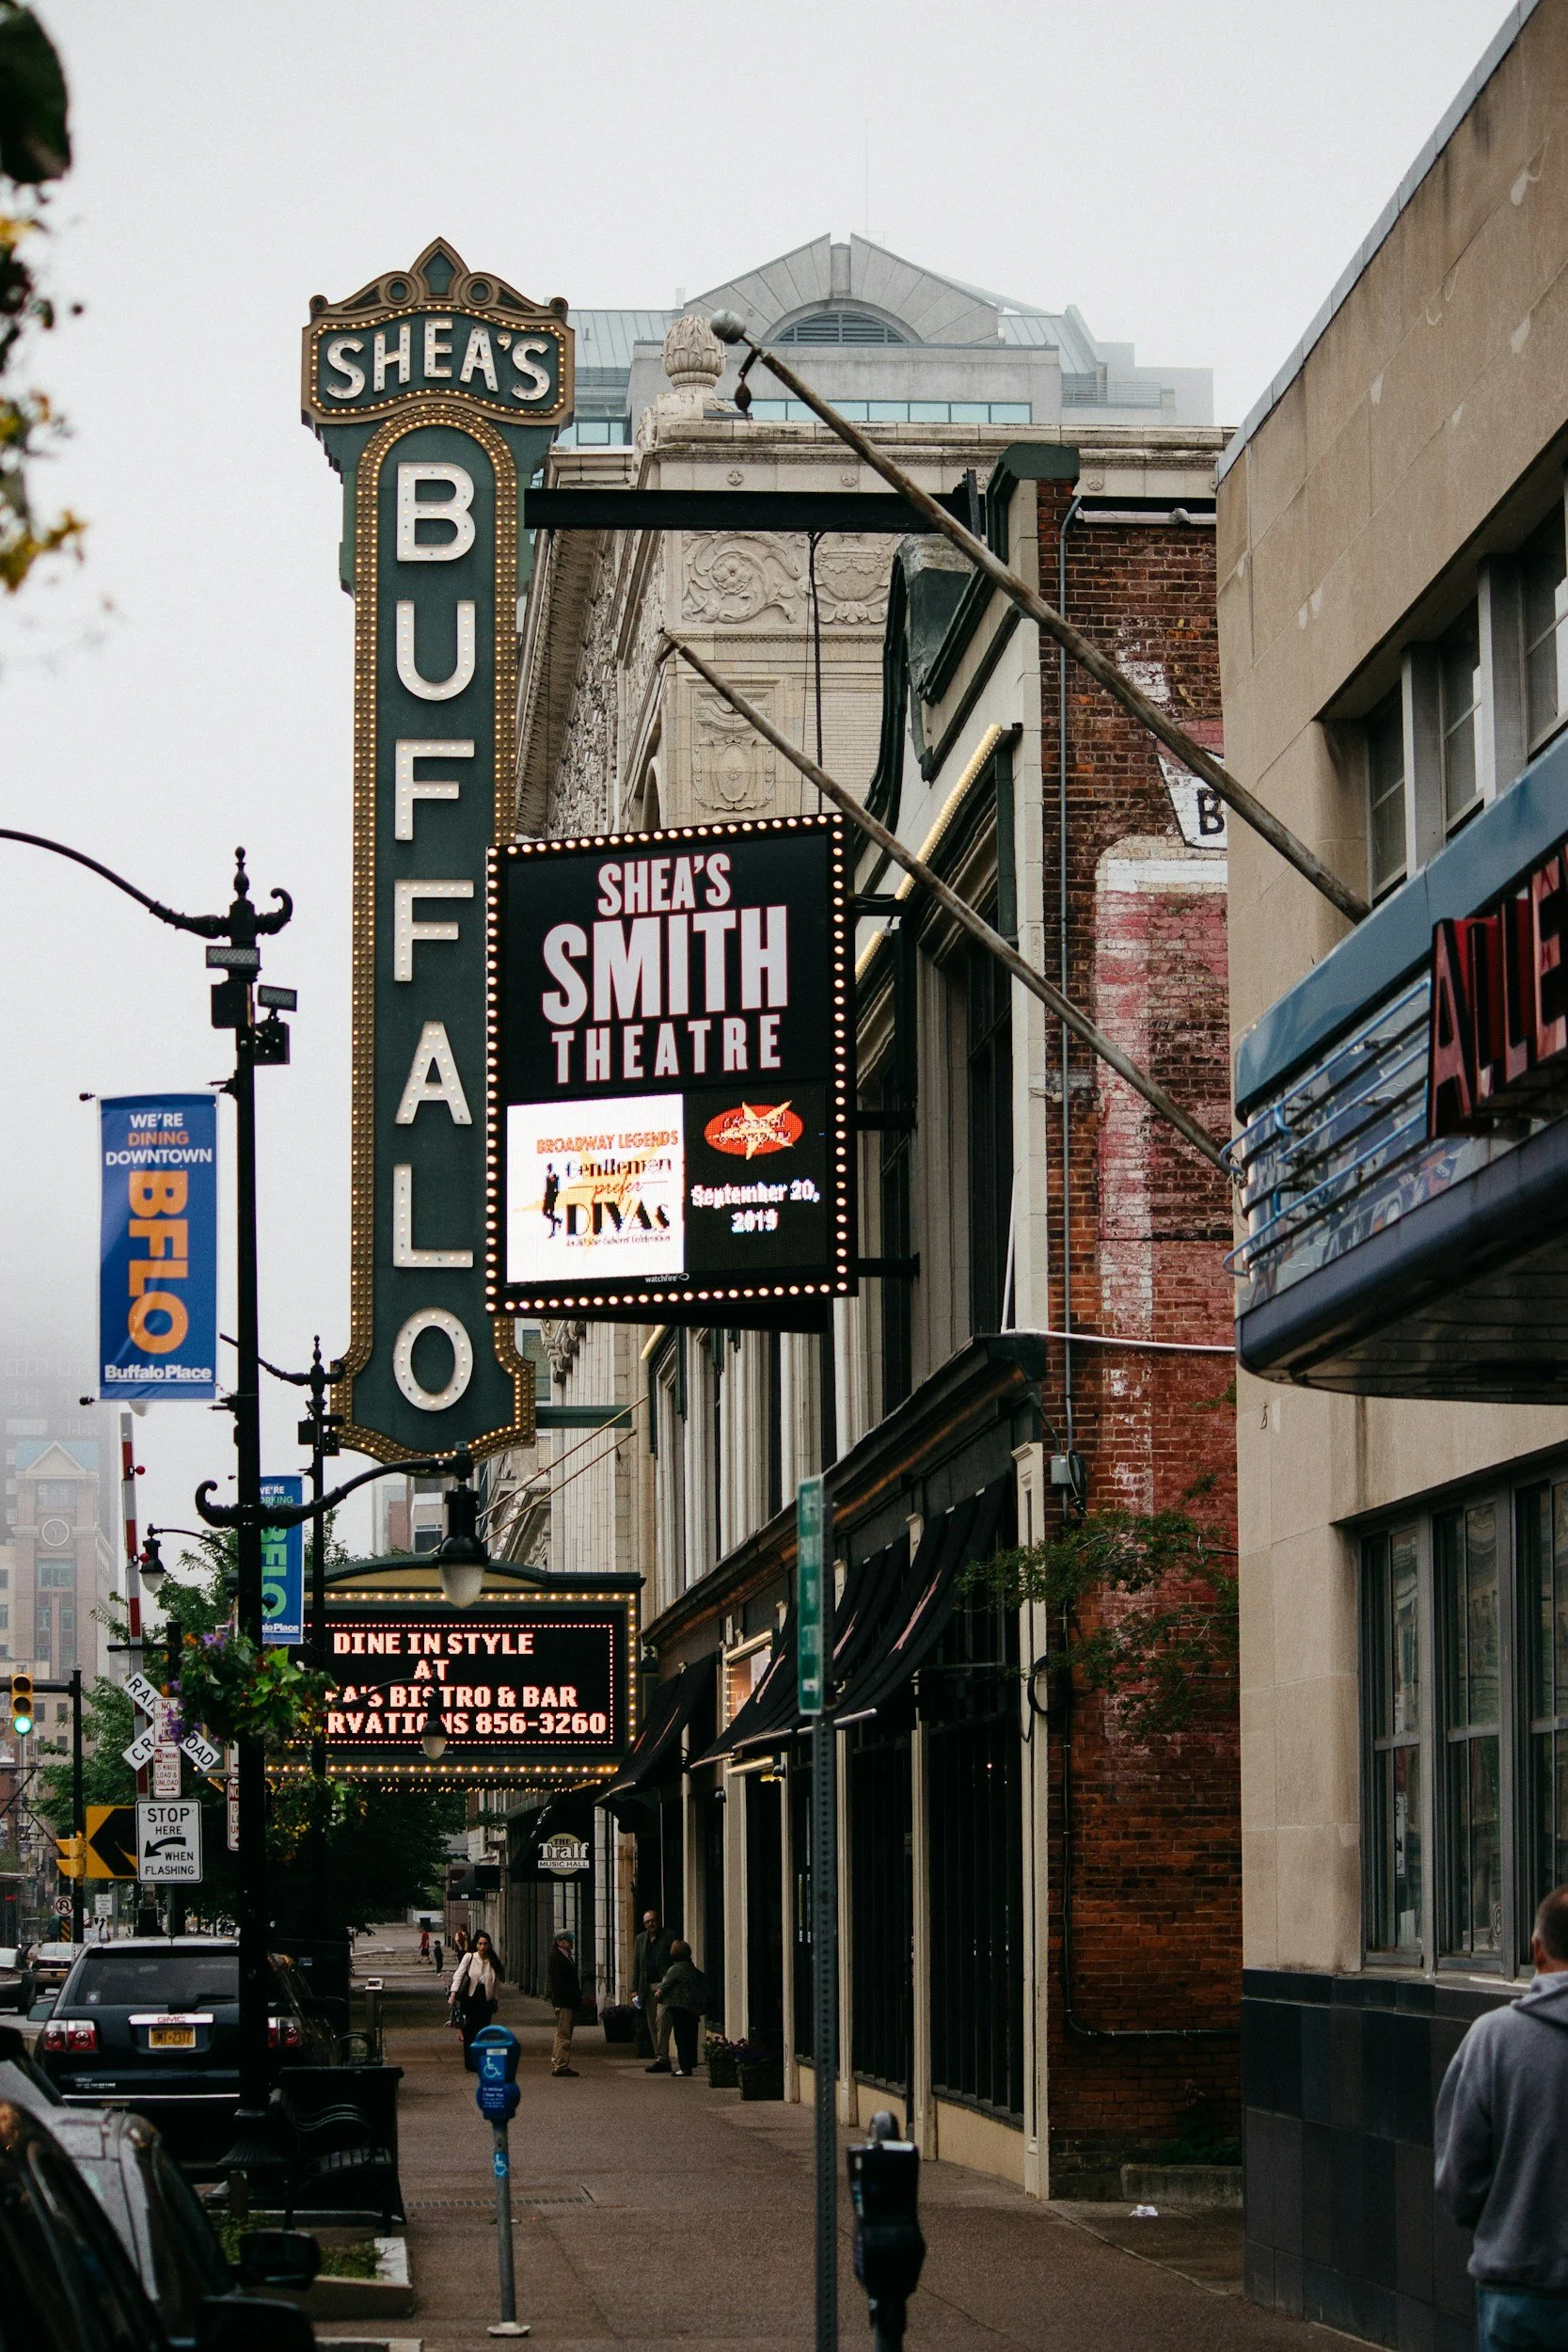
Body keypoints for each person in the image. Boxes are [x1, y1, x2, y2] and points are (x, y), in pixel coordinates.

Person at [1436, 1884, 1568, 2352]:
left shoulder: (1492, 2041)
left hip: (1518, 2289)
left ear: (1536, 1950)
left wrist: (1503, 2221)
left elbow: (1458, 2180)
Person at [652, 1938, 705, 2077]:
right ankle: (689, 2065)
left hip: (680, 2007)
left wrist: (658, 1993)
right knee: (690, 2038)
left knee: (681, 2038)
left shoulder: (675, 1969)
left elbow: (662, 1989)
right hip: (693, 2007)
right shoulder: (691, 1968)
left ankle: (685, 2067)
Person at [449, 1929, 499, 2069]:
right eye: (480, 1944)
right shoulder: (469, 1957)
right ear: (476, 1945)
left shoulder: (493, 1961)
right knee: (469, 2030)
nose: (483, 1947)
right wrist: (453, 1995)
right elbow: (459, 1975)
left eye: (485, 1944)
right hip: (470, 1997)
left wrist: (495, 1999)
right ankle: (470, 2062)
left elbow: (496, 1983)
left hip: (486, 1999)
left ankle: (480, 2060)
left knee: (483, 2030)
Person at [633, 1908, 674, 2066]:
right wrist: (634, 1988)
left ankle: (662, 2056)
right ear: (644, 1924)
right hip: (647, 1986)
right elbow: (637, 1964)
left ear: (658, 1920)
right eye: (647, 1921)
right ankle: (660, 2057)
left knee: (661, 2020)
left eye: (653, 1920)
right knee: (652, 2022)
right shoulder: (640, 1939)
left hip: (663, 1986)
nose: (651, 1923)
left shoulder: (669, 1936)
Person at [546, 1931, 582, 2078]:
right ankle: (560, 2065)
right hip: (564, 2002)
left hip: (567, 2001)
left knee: (562, 2033)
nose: (571, 1943)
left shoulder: (565, 1955)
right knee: (564, 2034)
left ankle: (558, 2061)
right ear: (560, 1942)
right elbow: (558, 1983)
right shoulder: (557, 1957)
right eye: (568, 1940)